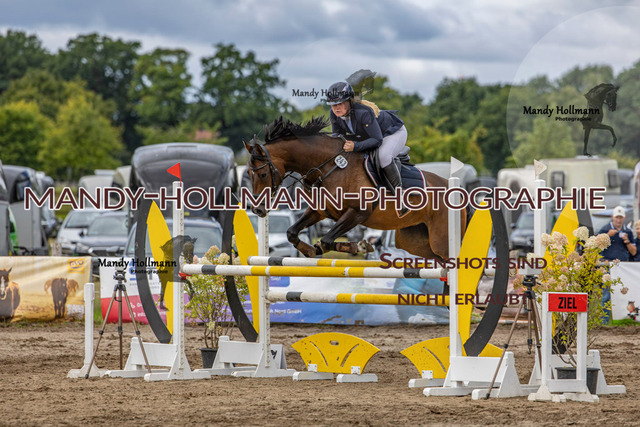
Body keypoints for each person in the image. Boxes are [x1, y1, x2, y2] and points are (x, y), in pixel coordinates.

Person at [325, 81, 407, 196]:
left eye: (340, 103)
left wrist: (356, 146)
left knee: (383, 156)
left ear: (349, 101)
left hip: (392, 132)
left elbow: (377, 140)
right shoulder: (334, 114)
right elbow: (337, 136)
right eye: (333, 105)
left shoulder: (363, 112)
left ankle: (399, 194)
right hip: (371, 135)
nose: (336, 108)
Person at [597, 206, 635, 323]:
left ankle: (626, 319)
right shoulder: (605, 229)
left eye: (620, 217)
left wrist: (627, 241)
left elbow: (633, 252)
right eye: (616, 217)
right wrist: (607, 236)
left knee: (625, 292)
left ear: (624, 218)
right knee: (606, 294)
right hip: (608, 265)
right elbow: (596, 245)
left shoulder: (628, 231)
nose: (618, 220)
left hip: (623, 266)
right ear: (612, 217)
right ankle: (604, 321)